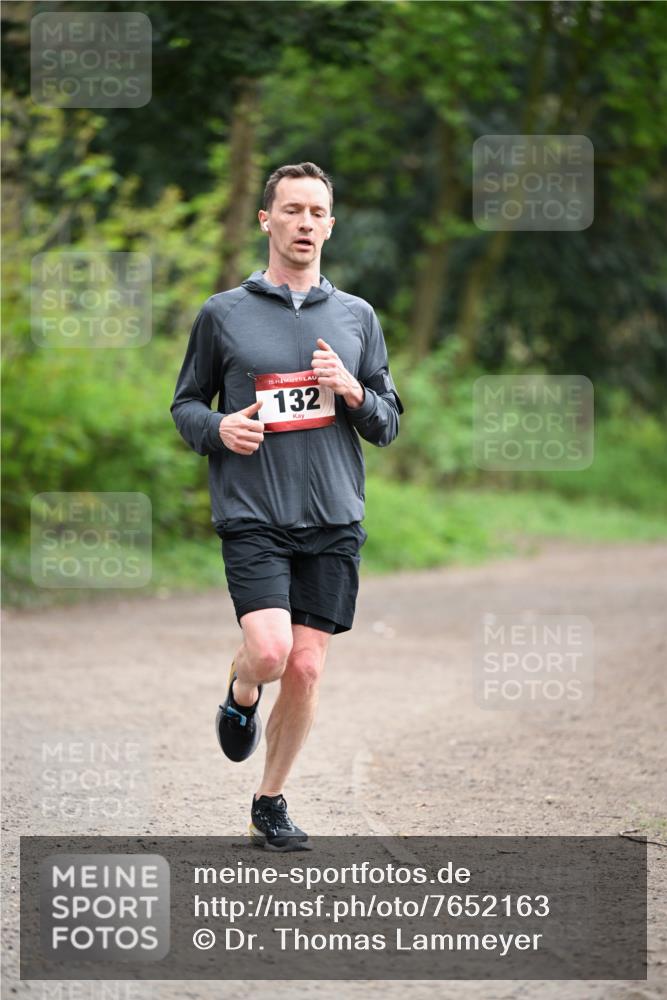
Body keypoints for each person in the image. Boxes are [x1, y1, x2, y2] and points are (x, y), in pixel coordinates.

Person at [171, 161, 403, 851]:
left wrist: (352, 391)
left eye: (316, 213)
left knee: (305, 666)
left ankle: (268, 801)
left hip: (334, 517)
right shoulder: (223, 314)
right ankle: (242, 687)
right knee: (271, 654)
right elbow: (186, 405)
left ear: (330, 226)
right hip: (254, 513)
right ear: (266, 219)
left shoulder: (357, 317)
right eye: (292, 210)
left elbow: (387, 421)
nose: (305, 223)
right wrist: (219, 428)